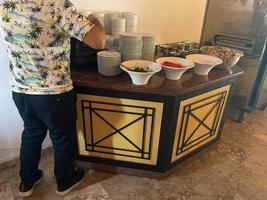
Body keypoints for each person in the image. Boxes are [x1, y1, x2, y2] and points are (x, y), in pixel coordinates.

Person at [0, 0, 105, 197]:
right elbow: (99, 41)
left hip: (21, 90)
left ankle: (27, 182)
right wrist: (94, 20)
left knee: (32, 133)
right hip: (53, 92)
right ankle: (65, 181)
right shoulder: (56, 4)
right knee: (62, 137)